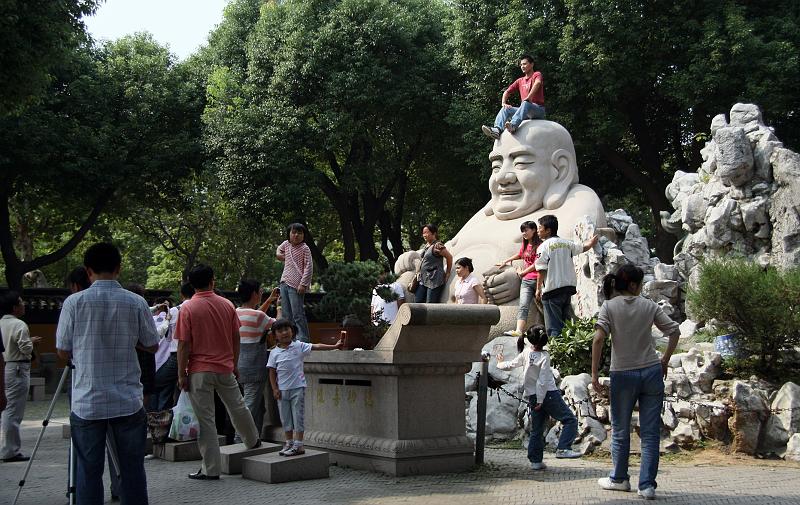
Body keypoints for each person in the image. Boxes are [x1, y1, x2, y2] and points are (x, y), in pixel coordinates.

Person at [398, 121, 605, 307]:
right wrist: (414, 259)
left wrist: (520, 278)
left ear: (560, 169)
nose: (502, 178)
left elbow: (565, 261)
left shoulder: (576, 202)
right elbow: (447, 248)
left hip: (497, 315)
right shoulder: (485, 215)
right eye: (496, 166)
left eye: (521, 162)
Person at [56, 242, 159, 505]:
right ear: (118, 268)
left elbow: (63, 350)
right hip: (127, 400)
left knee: (88, 472)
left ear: (87, 270)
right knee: (132, 470)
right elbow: (151, 344)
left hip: (87, 402)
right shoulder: (136, 302)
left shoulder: (74, 303)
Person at [591, 265, 680, 500]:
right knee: (650, 433)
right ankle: (647, 485)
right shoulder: (649, 306)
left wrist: (594, 373)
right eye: (640, 284)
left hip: (623, 373)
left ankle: (619, 479)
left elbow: (598, 339)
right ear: (633, 285)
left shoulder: (609, 306)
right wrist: (664, 360)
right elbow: (674, 331)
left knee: (620, 430)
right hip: (651, 372)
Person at [175, 264, 261, 480]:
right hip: (225, 368)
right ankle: (252, 440)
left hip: (199, 371)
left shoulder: (187, 308)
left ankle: (211, 469)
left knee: (206, 420)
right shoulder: (227, 305)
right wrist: (234, 363)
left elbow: (184, 344)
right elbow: (236, 337)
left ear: (191, 284)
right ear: (213, 280)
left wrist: (181, 374)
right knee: (238, 406)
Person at [496, 325, 581, 470]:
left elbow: (512, 364)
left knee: (537, 428)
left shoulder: (526, 352)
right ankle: (563, 448)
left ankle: (535, 461)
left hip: (532, 395)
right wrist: (541, 401)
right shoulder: (544, 356)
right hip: (548, 394)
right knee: (570, 420)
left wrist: (499, 363)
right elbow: (542, 381)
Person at [268, 319, 342, 456]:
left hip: (298, 388)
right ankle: (289, 442)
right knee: (285, 418)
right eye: (280, 330)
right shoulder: (274, 353)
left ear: (292, 331)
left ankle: (299, 444)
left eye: (287, 329)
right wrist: (274, 389)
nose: (284, 333)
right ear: (275, 335)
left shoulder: (299, 346)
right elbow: (272, 372)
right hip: (282, 391)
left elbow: (316, 346)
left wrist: (333, 346)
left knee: (298, 416)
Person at [534, 214, 598, 338]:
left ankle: (556, 352)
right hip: (567, 288)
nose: (538, 231)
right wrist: (591, 242)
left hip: (552, 290)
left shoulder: (543, 247)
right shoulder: (567, 243)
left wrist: (538, 289)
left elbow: (541, 270)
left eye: (540, 228)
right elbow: (583, 247)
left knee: (553, 327)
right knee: (566, 323)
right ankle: (567, 352)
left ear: (548, 230)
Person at [1, 292, 42, 462]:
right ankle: (10, 450)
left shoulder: (1, 323)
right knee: (13, 410)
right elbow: (25, 349)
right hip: (18, 367)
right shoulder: (19, 324)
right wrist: (32, 342)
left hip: (5, 365)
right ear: (14, 307)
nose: (23, 304)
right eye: (20, 302)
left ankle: (8, 447)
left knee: (6, 407)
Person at [235, 279, 279, 437]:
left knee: (257, 406)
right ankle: (239, 439)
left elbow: (256, 317)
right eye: (260, 291)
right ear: (254, 294)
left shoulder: (236, 313)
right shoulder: (259, 316)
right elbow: (279, 326)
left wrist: (268, 300)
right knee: (250, 406)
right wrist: (279, 308)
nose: (261, 294)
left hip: (238, 366)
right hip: (254, 367)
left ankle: (255, 437)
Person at [149, 283, 194, 413]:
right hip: (195, 355)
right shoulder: (199, 308)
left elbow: (168, 336)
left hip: (176, 355)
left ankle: (158, 419)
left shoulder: (174, 311)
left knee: (159, 383)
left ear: (181, 294)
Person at [496, 221, 543, 336]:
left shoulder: (541, 245)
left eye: (526, 230)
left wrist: (522, 273)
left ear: (534, 230)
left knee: (545, 306)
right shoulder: (526, 244)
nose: (524, 233)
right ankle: (518, 331)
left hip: (540, 280)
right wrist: (506, 261)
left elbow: (538, 263)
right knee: (523, 305)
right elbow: (520, 254)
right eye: (522, 231)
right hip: (526, 281)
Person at [482, 54, 545, 140]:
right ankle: (497, 130)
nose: (522, 66)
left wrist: (529, 97)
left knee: (525, 103)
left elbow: (537, 83)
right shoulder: (520, 81)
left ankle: (513, 125)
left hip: (538, 109)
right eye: (521, 65)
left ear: (532, 64)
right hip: (525, 110)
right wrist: (503, 103)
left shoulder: (537, 74)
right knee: (505, 109)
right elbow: (507, 92)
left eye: (525, 64)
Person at [276, 223, 313, 342]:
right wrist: (279, 255)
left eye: (299, 233)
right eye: (294, 232)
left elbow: (309, 267)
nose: (296, 235)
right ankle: (290, 340)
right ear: (289, 234)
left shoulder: (305, 248)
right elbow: (278, 250)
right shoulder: (286, 244)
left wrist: (303, 284)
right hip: (284, 282)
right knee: (286, 315)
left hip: (297, 285)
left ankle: (303, 339)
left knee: (298, 314)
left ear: (304, 235)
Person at [415, 224, 453, 303]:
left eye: (426, 232)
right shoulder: (426, 246)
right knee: (417, 302)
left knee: (430, 304)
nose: (424, 235)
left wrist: (448, 272)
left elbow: (449, 257)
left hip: (434, 280)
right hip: (423, 279)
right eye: (423, 233)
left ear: (434, 233)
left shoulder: (437, 246)